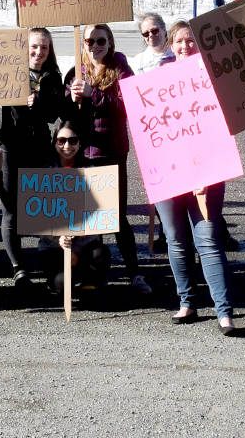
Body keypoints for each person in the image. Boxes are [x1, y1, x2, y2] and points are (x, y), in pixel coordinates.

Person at [149, 19, 239, 334]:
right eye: (179, 41)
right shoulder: (158, 79)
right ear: (170, 45)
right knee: (175, 240)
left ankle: (224, 312)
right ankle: (187, 302)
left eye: (191, 41)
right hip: (168, 172)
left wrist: (207, 169)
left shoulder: (214, 78)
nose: (185, 46)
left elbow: (224, 127)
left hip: (207, 172)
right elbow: (149, 127)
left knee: (208, 240)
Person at [66, 22, 151, 295]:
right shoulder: (76, 70)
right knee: (92, 219)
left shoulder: (121, 68)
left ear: (110, 43)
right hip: (85, 154)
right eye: (89, 41)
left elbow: (130, 105)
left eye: (100, 41)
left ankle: (135, 274)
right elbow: (63, 110)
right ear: (83, 44)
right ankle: (98, 274)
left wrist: (95, 94)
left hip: (112, 152)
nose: (95, 46)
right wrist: (71, 95)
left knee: (116, 216)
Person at [0, 27, 70, 288]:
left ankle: (48, 265)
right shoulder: (8, 72)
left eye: (44, 47)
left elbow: (52, 115)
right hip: (12, 147)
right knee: (11, 209)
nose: (38, 52)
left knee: (44, 206)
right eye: (34, 47)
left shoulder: (53, 76)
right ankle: (18, 267)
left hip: (39, 147)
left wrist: (40, 101)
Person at [42, 118, 113, 299]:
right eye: (62, 140)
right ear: (55, 142)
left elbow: (100, 217)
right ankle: (63, 281)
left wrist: (77, 247)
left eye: (73, 140)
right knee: (61, 285)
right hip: (56, 247)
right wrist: (58, 239)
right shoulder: (45, 172)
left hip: (85, 246)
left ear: (80, 143)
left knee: (101, 254)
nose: (67, 145)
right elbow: (38, 217)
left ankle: (90, 283)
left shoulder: (92, 171)